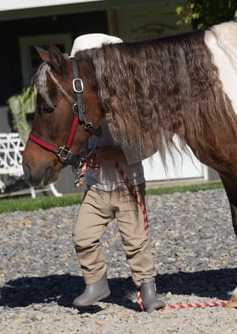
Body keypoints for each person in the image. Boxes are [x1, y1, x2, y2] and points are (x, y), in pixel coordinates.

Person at [69, 33, 165, 312]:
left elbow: (152, 142)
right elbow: (82, 140)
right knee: (82, 235)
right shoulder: (83, 107)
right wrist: (85, 157)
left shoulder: (132, 103)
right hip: (97, 188)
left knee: (135, 241)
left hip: (128, 185)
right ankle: (96, 283)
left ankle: (147, 290)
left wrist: (122, 154)